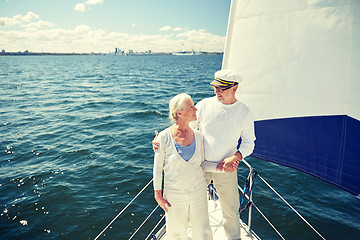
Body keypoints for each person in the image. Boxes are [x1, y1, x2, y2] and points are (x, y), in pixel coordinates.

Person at [154, 70, 256, 240]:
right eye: (215, 87)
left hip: (225, 168)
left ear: (234, 88)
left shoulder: (244, 112)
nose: (216, 92)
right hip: (198, 168)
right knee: (192, 211)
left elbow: (249, 143)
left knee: (231, 211)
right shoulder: (204, 105)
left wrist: (235, 157)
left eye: (221, 89)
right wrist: (162, 141)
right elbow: (187, 130)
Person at [153, 93, 214, 240]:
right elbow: (157, 169)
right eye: (191, 106)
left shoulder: (198, 135)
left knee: (203, 230)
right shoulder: (164, 136)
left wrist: (223, 167)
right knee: (176, 233)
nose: (195, 109)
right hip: (174, 193)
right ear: (179, 112)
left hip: (198, 191)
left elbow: (203, 163)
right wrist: (158, 195)